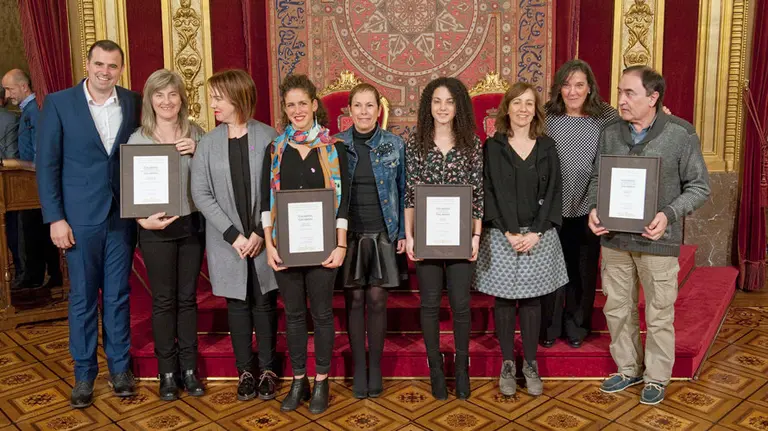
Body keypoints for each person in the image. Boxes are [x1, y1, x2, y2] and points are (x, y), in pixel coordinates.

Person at [587, 66, 710, 405]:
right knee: (618, 308)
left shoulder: (680, 134)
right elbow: (600, 178)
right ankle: (627, 369)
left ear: (653, 98)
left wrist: (667, 213)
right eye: (619, 92)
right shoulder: (610, 131)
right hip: (614, 240)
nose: (621, 100)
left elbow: (700, 187)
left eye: (630, 94)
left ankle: (656, 377)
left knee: (658, 314)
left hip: (657, 241)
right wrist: (595, 210)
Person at [36, 40, 141, 409]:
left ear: (121, 69)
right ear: (88, 64)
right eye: (99, 64)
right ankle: (83, 375)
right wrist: (55, 218)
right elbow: (47, 165)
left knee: (118, 296)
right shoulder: (60, 103)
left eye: (112, 66)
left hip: (121, 218)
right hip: (78, 220)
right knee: (82, 299)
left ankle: (119, 370)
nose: (105, 72)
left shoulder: (133, 102)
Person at [261, 74, 349, 414]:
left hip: (324, 247)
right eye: (290, 104)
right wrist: (269, 245)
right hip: (285, 247)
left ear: (315, 104)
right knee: (295, 316)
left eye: (303, 103)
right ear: (285, 109)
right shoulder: (275, 149)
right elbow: (265, 202)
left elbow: (345, 201)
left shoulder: (334, 148)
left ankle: (322, 382)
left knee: (322, 315)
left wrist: (340, 245)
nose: (297, 110)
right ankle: (299, 379)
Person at [191, 69, 280, 402]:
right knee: (237, 305)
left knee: (264, 303)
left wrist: (259, 232)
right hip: (228, 242)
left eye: (218, 98)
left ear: (237, 97)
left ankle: (268, 370)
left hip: (263, 239)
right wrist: (235, 235)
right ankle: (245, 371)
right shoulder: (208, 143)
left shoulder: (269, 136)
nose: (212, 104)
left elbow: (276, 188)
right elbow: (200, 193)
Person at [475, 82, 567, 397]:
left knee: (531, 301)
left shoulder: (547, 147)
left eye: (529, 103)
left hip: (538, 236)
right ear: (507, 108)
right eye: (517, 103)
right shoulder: (493, 147)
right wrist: (509, 231)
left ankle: (530, 363)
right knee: (503, 301)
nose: (523, 109)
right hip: (502, 235)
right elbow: (487, 192)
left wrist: (536, 232)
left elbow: (555, 191)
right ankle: (506, 364)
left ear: (536, 110)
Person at [127, 69, 205, 401]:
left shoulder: (197, 134)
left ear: (182, 99)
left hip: (189, 227)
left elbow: (214, 180)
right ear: (150, 100)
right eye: (159, 95)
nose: (167, 101)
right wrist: (142, 221)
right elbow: (130, 191)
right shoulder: (138, 139)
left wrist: (198, 151)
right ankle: (167, 373)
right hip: (154, 230)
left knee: (187, 300)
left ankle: (189, 368)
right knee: (163, 301)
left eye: (172, 94)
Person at [404, 77, 483, 400]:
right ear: (428, 106)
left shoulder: (472, 144)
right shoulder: (416, 143)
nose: (442, 108)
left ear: (459, 106)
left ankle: (461, 369)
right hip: (427, 238)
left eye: (449, 101)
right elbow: (410, 193)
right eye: (437, 101)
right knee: (429, 305)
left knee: (462, 306)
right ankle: (436, 369)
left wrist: (477, 236)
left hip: (462, 238)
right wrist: (409, 236)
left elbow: (477, 194)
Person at [538, 60, 617, 349]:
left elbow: (636, 123)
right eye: (567, 84)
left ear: (590, 88)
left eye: (579, 85)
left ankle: (576, 327)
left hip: (588, 205)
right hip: (551, 206)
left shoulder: (606, 117)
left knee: (582, 270)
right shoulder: (546, 115)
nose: (572, 91)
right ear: (559, 88)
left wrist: (663, 115)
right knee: (551, 268)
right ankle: (549, 326)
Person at [337, 83, 405, 399]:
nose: (364, 112)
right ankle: (359, 367)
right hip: (348, 234)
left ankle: (374, 366)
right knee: (354, 300)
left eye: (369, 106)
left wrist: (402, 233)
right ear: (349, 111)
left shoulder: (394, 145)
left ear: (379, 110)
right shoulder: (336, 145)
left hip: (382, 232)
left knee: (377, 300)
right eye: (358, 106)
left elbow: (405, 192)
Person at [2, 69, 62, 292]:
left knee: (33, 230)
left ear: (23, 87)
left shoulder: (34, 111)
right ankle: (48, 276)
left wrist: (22, 167)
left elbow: (40, 153)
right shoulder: (28, 110)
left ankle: (35, 277)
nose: (7, 95)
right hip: (29, 184)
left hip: (33, 183)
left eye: (9, 89)